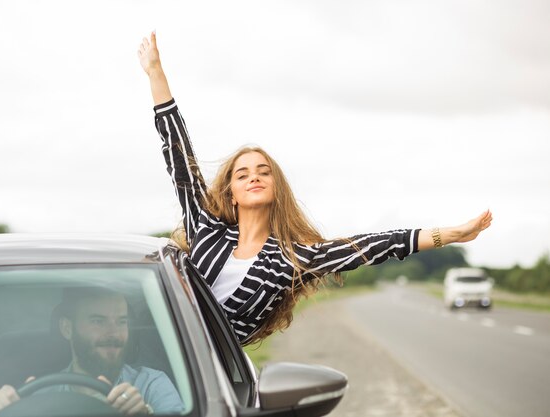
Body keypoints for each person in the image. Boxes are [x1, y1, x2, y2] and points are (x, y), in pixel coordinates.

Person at [137, 32, 493, 345]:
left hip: (212, 379)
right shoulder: (206, 227)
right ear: (231, 192)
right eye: (242, 175)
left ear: (277, 187)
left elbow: (370, 247)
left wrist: (450, 233)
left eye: (263, 171)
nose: (254, 177)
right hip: (159, 346)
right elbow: (179, 156)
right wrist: (157, 74)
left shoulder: (294, 257)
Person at [0, 288, 183, 416]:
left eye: (121, 321)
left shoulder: (152, 385)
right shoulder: (40, 395)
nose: (113, 333)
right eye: (98, 321)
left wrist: (144, 414)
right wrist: (4, 412)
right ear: (67, 329)